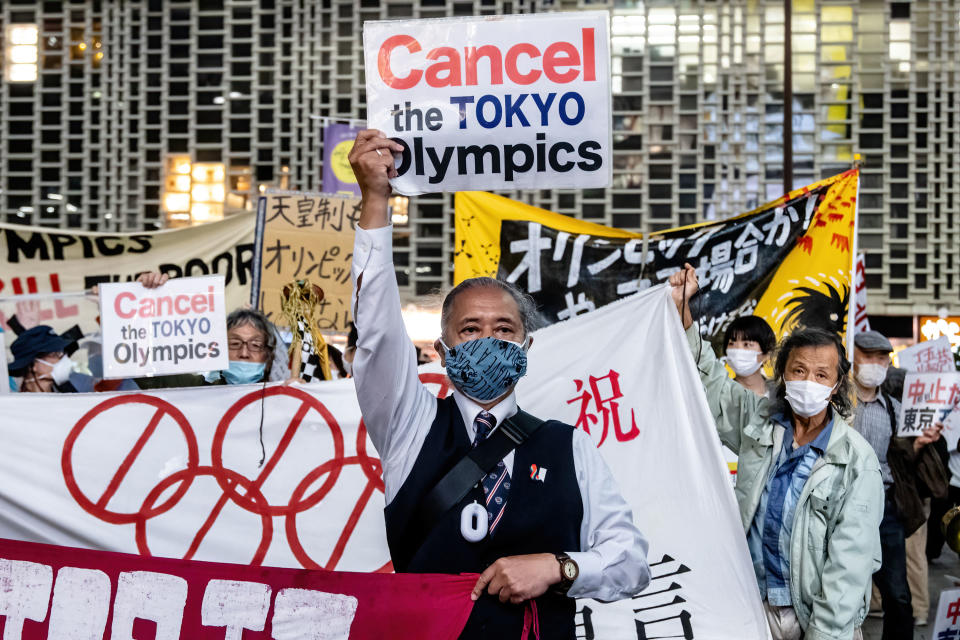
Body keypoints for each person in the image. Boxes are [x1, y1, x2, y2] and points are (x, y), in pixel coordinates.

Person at [348, 129, 650, 638]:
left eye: (504, 330)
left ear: (526, 348)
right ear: (441, 352)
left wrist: (560, 567)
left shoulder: (567, 445)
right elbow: (377, 327)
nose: (487, 340)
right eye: (469, 330)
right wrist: (376, 202)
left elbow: (630, 559)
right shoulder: (409, 427)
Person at [669, 263, 884, 640]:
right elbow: (711, 384)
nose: (809, 382)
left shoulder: (856, 461)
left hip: (813, 619)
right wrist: (683, 313)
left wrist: (824, 634)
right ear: (783, 374)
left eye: (821, 375)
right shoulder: (759, 424)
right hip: (750, 606)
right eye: (799, 370)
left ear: (836, 385)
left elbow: (847, 572)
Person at [851, 330, 945, 635]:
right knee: (840, 588)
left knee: (898, 592)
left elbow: (902, 457)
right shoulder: (837, 402)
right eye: (868, 356)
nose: (875, 363)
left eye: (882, 358)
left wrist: (919, 443)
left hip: (886, 507)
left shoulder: (894, 408)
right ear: (852, 356)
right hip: (841, 506)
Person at [7, 325, 134, 393]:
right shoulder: (17, 405)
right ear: (33, 364)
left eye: (63, 353)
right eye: (55, 354)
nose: (64, 358)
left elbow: (106, 391)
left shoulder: (71, 389)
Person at [724, 315, 777, 397]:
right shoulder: (721, 396)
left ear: (767, 354)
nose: (738, 350)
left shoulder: (781, 396)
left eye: (747, 344)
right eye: (731, 343)